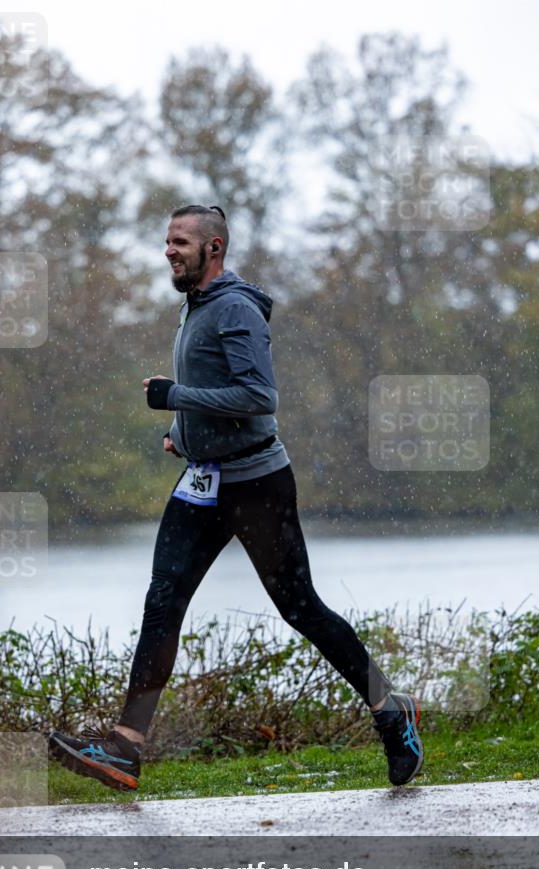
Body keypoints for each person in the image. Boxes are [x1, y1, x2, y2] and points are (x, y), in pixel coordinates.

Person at [49, 205, 424, 791]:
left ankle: (389, 710)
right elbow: (220, 397)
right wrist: (184, 432)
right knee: (162, 601)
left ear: (213, 248)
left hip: (255, 484)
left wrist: (176, 396)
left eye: (180, 242)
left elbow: (258, 396)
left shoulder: (234, 308)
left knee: (301, 609)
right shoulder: (194, 307)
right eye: (167, 241)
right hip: (203, 481)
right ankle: (124, 749)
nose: (169, 250)